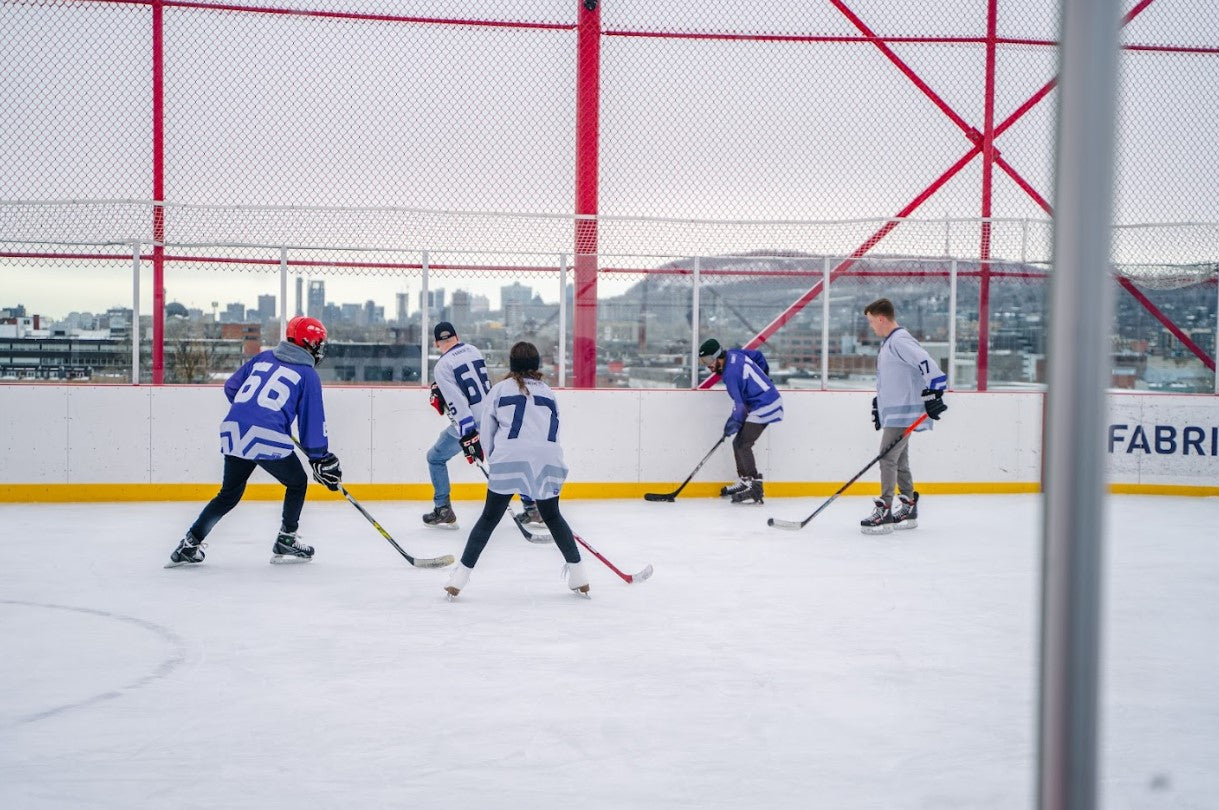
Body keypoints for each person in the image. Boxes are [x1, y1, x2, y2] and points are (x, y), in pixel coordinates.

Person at [165, 315, 342, 567]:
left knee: (228, 494)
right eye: (319, 343)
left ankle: (189, 544)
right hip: (265, 435)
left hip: (234, 429)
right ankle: (286, 539)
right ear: (309, 343)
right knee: (298, 482)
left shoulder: (264, 357)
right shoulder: (307, 374)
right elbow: (311, 422)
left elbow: (231, 387)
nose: (320, 348)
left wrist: (254, 414)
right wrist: (319, 456)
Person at [444, 341, 589, 599]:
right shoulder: (547, 391)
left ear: (511, 365)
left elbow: (487, 432)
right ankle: (580, 576)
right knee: (553, 516)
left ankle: (459, 578)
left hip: (509, 456)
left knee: (489, 518)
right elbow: (554, 429)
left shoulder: (500, 389)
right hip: (549, 459)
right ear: (537, 365)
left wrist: (494, 459)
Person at [424, 321, 544, 530]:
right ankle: (532, 506)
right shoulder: (473, 350)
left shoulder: (442, 366)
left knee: (434, 458)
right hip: (493, 413)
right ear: (457, 337)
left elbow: (458, 401)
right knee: (504, 461)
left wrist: (468, 433)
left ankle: (443, 509)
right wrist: (441, 388)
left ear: (436, 343)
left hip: (471, 421)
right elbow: (473, 384)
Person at [860, 297, 947, 534]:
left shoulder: (899, 340)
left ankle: (885, 510)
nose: (871, 326)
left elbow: (929, 366)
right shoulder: (891, 342)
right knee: (898, 460)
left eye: (871, 321)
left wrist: (934, 394)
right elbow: (896, 378)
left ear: (881, 318)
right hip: (897, 412)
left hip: (904, 413)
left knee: (886, 458)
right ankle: (908, 506)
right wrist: (880, 405)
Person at [698, 338, 783, 504]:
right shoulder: (733, 354)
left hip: (766, 404)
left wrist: (730, 426)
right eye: (703, 361)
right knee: (738, 443)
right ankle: (746, 481)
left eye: (708, 360)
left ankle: (755, 486)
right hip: (761, 402)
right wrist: (764, 378)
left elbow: (740, 407)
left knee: (743, 444)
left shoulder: (730, 375)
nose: (707, 366)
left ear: (718, 356)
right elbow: (758, 356)